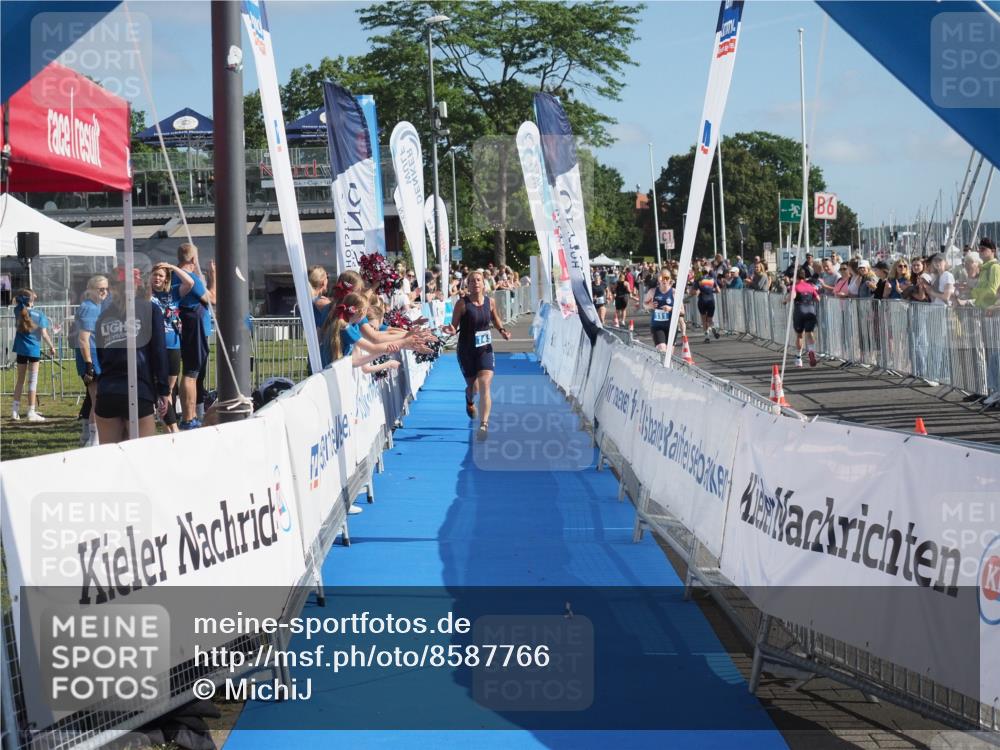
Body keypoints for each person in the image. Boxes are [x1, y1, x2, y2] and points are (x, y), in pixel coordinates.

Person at [94, 270, 170, 444]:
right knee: (142, 454)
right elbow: (159, 351)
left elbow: (101, 354)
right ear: (137, 286)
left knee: (110, 453)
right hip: (138, 389)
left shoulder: (104, 316)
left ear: (113, 288)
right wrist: (163, 390)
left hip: (108, 391)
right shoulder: (150, 309)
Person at [443, 270, 511, 437]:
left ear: (483, 283)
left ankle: (483, 425)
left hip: (484, 349)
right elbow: (454, 327)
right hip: (466, 351)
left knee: (485, 384)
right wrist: (450, 330)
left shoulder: (490, 302)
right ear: (468, 285)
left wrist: (502, 331)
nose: (476, 283)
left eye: (478, 280)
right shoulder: (462, 304)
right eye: (472, 281)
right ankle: (469, 400)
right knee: (474, 388)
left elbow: (495, 318)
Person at [150, 262, 198, 433]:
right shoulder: (146, 294)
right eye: (154, 275)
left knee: (169, 389)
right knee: (161, 390)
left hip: (173, 345)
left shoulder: (173, 293)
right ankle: (171, 429)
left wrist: (172, 267)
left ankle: (169, 428)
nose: (157, 278)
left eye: (160, 275)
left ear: (166, 279)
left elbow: (190, 283)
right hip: (155, 346)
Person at [172, 243, 213, 430]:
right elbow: (212, 298)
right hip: (193, 328)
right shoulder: (190, 278)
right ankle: (188, 418)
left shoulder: (173, 275)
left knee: (192, 373)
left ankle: (192, 414)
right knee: (191, 373)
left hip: (182, 327)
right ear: (194, 259)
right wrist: (214, 276)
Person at [11, 289, 56, 422]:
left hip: (21, 350)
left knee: (20, 380)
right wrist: (51, 346)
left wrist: (25, 297)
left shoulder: (18, 311)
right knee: (32, 382)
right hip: (33, 351)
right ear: (31, 299)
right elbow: (44, 334)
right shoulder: (40, 314)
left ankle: (15, 411)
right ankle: (31, 412)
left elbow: (16, 301)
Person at [75, 274, 110, 445]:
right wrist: (89, 364)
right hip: (91, 359)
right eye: (100, 289)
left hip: (98, 358)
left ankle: (88, 437)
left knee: (93, 399)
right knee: (97, 400)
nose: (104, 292)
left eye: (106, 289)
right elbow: (83, 339)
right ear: (91, 290)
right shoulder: (88, 307)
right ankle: (93, 440)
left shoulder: (98, 306)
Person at [786, 267, 820, 367]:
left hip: (800, 311)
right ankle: (811, 351)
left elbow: (792, 296)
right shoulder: (810, 286)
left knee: (800, 335)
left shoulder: (795, 286)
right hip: (810, 310)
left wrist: (785, 300)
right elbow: (818, 298)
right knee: (810, 333)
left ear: (795, 277)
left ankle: (798, 358)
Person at [644, 270, 675, 355]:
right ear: (658, 279)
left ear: (670, 279)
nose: (664, 280)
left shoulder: (674, 292)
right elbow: (644, 304)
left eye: (667, 278)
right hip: (657, 326)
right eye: (662, 278)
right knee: (662, 349)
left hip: (671, 326)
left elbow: (682, 310)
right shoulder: (652, 291)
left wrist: (671, 308)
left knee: (669, 354)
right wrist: (650, 305)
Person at [694, 267, 720, 342]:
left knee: (704, 319)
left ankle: (707, 337)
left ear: (702, 272)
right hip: (711, 300)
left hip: (702, 300)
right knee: (709, 319)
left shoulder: (699, 280)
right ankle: (712, 327)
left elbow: (693, 292)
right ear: (708, 272)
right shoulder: (712, 279)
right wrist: (711, 291)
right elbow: (718, 290)